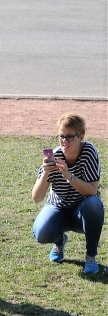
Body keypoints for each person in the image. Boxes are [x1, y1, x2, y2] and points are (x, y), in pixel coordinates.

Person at [32, 113, 102, 274]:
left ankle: (91, 255)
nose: (64, 141)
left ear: (81, 136)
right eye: (61, 136)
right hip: (59, 207)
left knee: (94, 204)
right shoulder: (55, 157)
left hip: (82, 211)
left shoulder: (89, 153)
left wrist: (69, 176)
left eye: (69, 137)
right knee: (41, 233)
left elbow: (92, 191)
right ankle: (59, 241)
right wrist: (45, 174)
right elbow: (37, 198)